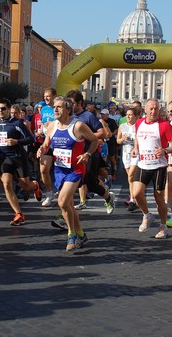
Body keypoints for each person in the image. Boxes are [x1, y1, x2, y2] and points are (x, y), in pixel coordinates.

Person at [37, 96, 99, 251]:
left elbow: (94, 140)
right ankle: (81, 234)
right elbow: (46, 144)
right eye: (54, 107)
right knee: (69, 205)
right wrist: (42, 149)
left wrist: (87, 154)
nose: (55, 110)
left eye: (59, 107)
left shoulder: (78, 126)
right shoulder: (52, 126)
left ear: (68, 109)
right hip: (59, 170)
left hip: (75, 169)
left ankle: (71, 234)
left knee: (63, 202)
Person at [131, 99, 172, 239]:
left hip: (159, 166)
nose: (154, 111)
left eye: (156, 109)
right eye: (151, 109)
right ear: (145, 110)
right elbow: (137, 138)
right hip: (143, 164)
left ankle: (163, 226)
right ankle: (147, 215)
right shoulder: (139, 122)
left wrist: (165, 150)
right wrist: (136, 148)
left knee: (159, 198)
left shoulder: (164, 125)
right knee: (137, 193)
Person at [0, 98, 42, 226]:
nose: (1, 111)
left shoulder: (17, 123)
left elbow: (31, 138)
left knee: (25, 186)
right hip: (5, 158)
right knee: (7, 184)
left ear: (8, 109)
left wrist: (17, 142)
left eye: (3, 108)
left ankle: (34, 186)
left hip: (19, 157)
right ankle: (19, 213)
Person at [66, 90, 114, 214]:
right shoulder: (68, 117)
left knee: (91, 184)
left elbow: (102, 133)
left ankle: (108, 197)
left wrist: (86, 135)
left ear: (79, 103)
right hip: (73, 155)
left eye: (72, 103)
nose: (70, 106)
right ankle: (65, 216)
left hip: (89, 153)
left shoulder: (88, 116)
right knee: (70, 184)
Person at [37, 88, 57, 207]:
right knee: (43, 169)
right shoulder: (44, 109)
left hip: (60, 143)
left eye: (48, 96)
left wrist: (53, 125)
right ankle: (49, 193)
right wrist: (40, 131)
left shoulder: (59, 108)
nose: (46, 98)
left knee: (62, 171)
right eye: (45, 96)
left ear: (55, 96)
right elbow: (43, 123)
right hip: (47, 142)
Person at [117, 107, 140, 211]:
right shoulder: (122, 126)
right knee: (130, 178)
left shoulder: (139, 126)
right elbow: (118, 140)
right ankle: (133, 198)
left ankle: (133, 199)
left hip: (136, 154)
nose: (128, 117)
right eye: (127, 114)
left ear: (135, 116)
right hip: (126, 153)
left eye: (130, 115)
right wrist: (122, 139)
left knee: (132, 176)